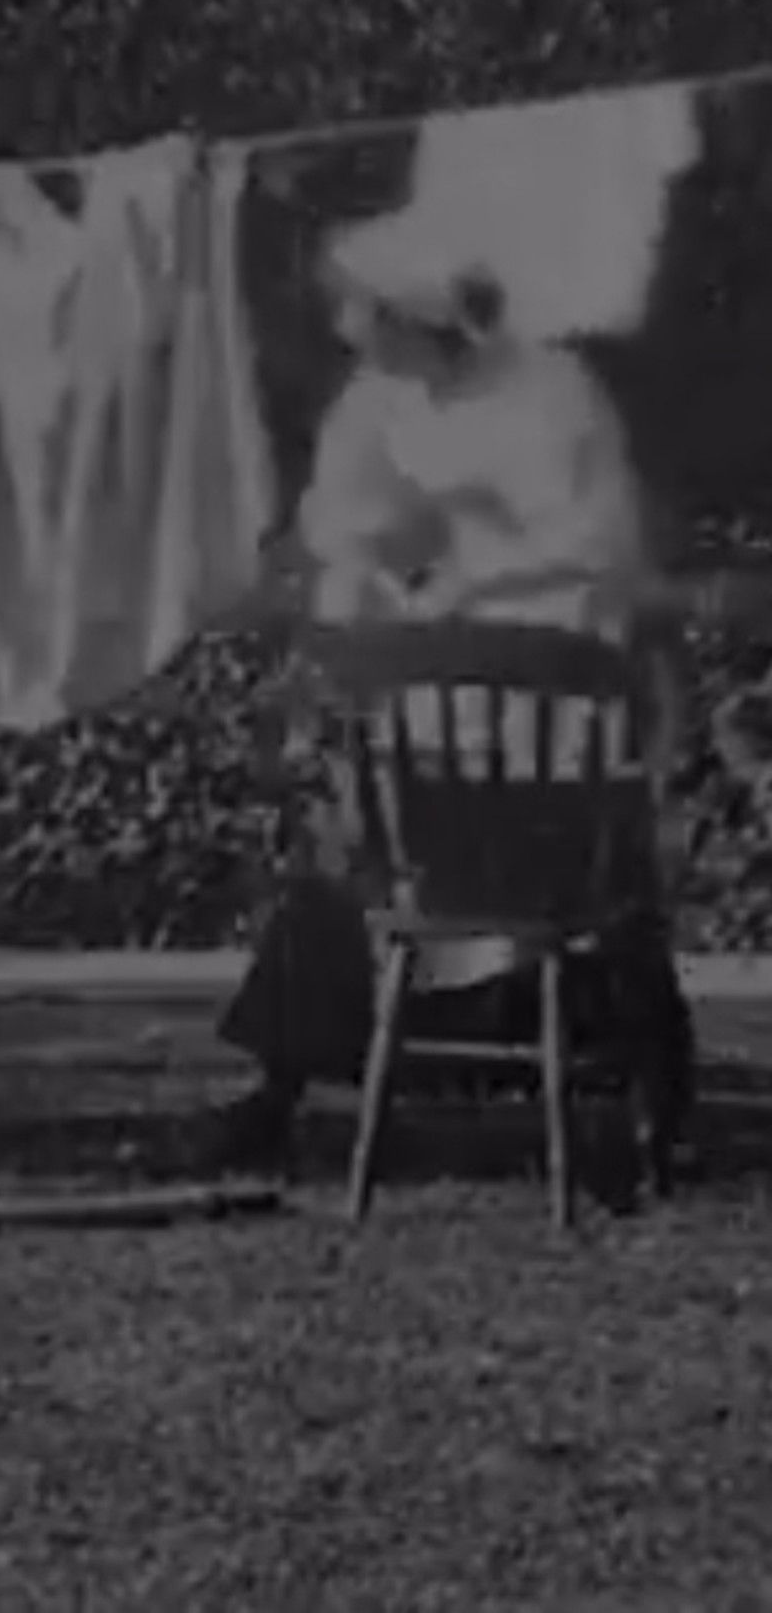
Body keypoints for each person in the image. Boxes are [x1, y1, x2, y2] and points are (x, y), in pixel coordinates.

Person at [211, 250, 695, 1173]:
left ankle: (645, 1088)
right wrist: (391, 561)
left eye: (380, 325)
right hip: (421, 729)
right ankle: (285, 1081)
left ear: (432, 319)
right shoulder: (376, 402)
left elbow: (598, 542)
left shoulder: (553, 393)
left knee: (579, 853)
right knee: (360, 835)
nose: (361, 344)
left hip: (549, 735)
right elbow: (339, 523)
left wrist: (474, 576)